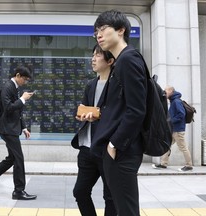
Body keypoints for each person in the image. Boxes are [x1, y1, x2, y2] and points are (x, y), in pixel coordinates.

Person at [87, 10, 147, 216]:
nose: (98, 35)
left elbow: (137, 109)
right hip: (118, 149)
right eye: (96, 31)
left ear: (121, 30)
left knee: (127, 211)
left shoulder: (128, 60)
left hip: (122, 151)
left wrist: (114, 145)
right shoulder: (122, 61)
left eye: (103, 29)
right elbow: (120, 108)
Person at [0, 66, 37, 200]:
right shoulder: (8, 87)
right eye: (25, 79)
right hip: (7, 129)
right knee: (19, 159)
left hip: (11, 129)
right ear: (18, 75)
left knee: (12, 159)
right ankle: (18, 191)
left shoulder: (14, 88)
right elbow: (9, 108)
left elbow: (17, 112)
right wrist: (22, 99)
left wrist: (24, 128)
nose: (25, 82)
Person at [71, 44, 116, 216]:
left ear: (110, 61)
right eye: (93, 55)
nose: (93, 58)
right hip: (86, 147)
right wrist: (82, 114)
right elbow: (86, 107)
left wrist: (97, 115)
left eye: (98, 55)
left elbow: (118, 114)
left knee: (110, 196)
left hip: (106, 148)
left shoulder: (117, 85)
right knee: (80, 192)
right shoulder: (91, 84)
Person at [152, 86, 193, 171]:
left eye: (166, 90)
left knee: (183, 147)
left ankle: (189, 165)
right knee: (167, 145)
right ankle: (163, 164)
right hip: (174, 129)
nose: (164, 92)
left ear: (171, 91)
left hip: (178, 130)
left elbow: (181, 114)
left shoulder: (176, 102)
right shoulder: (174, 101)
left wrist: (171, 121)